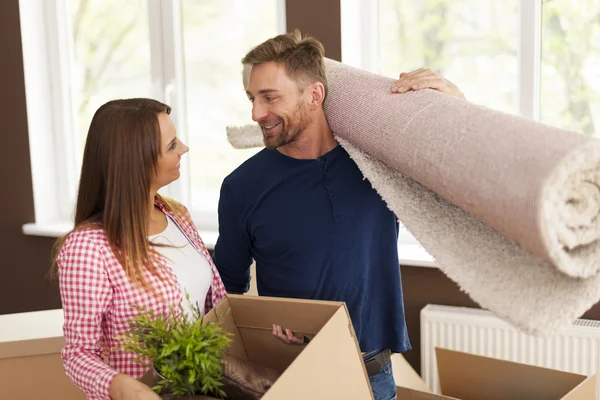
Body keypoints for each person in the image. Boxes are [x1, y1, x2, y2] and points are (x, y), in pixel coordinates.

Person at [213, 30, 465, 400]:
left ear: (314, 95)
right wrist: (266, 328)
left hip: (374, 377)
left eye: (269, 97)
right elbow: (225, 294)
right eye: (252, 98)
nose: (256, 113)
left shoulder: (377, 163)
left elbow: (458, 178)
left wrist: (452, 101)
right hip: (291, 376)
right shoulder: (242, 187)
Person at [52, 98, 227, 400]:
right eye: (172, 145)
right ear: (138, 161)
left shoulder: (178, 216)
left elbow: (215, 308)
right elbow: (79, 354)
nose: (184, 148)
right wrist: (119, 386)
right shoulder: (88, 248)